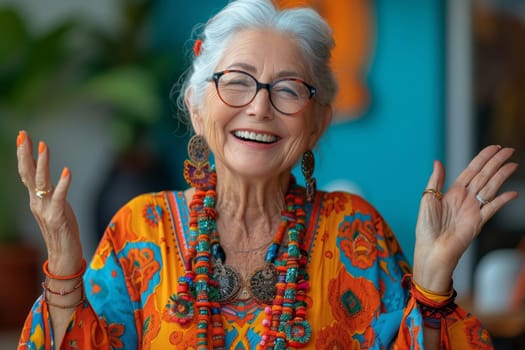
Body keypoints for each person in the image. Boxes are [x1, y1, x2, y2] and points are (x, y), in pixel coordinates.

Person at [16, 0, 519, 349]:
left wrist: (433, 276)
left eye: (287, 89)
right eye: (237, 82)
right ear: (197, 106)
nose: (258, 107)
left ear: (318, 119)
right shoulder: (138, 230)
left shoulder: (355, 234)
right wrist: (62, 264)